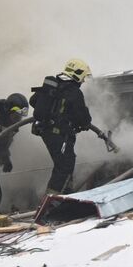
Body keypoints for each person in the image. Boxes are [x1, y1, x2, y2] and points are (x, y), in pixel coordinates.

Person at [30, 58, 95, 196]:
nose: (83, 81)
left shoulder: (53, 85)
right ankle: (51, 203)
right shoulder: (74, 92)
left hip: (46, 131)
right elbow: (83, 118)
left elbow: (33, 101)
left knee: (65, 164)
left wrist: (54, 109)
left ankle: (66, 195)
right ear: (77, 74)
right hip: (59, 135)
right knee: (65, 166)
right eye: (83, 77)